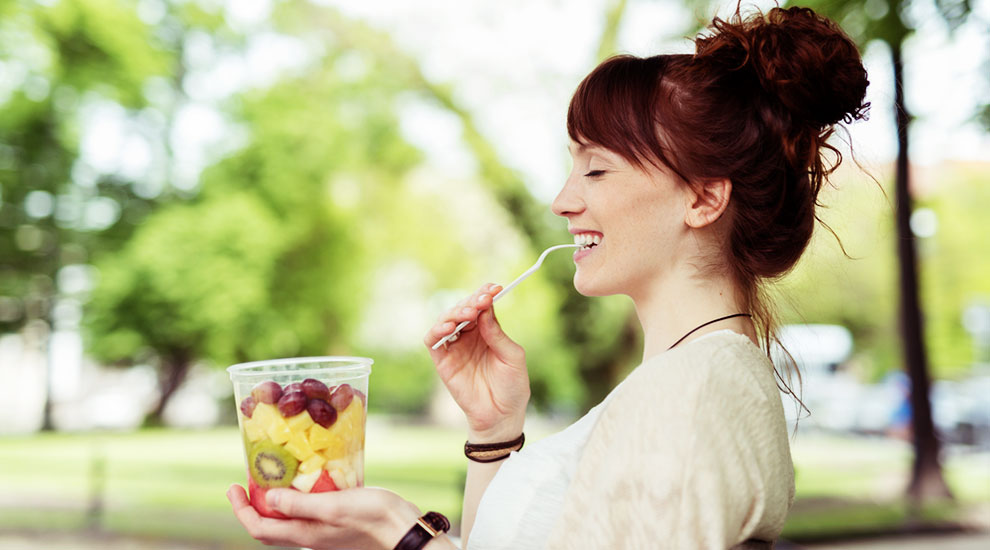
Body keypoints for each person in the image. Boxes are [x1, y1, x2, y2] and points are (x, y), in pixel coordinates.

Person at [228, 5, 869, 549]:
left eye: (596, 170)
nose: (563, 200)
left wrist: (405, 533)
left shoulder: (694, 392)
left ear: (703, 198)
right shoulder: (677, 383)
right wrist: (494, 433)